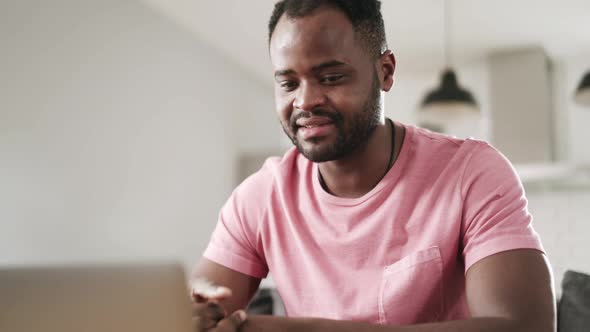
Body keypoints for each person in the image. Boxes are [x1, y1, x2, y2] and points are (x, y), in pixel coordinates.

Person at [191, 1, 556, 331]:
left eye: (331, 78)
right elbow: (196, 310)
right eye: (288, 83)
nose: (305, 101)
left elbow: (526, 327)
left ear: (385, 71)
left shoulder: (472, 172)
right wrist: (197, 312)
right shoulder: (261, 196)